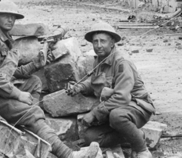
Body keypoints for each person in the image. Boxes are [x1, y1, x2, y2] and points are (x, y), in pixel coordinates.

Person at [0, 1, 100, 158]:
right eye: (5, 16)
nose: (10, 20)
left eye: (13, 17)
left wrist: (36, 64)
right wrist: (17, 94)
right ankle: (68, 154)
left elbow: (8, 73)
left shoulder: (3, 38)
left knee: (34, 82)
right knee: (31, 111)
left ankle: (29, 127)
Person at [66, 22, 155, 158]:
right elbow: (96, 83)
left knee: (117, 116)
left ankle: (142, 149)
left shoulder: (122, 63)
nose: (99, 45)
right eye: (95, 42)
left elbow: (122, 97)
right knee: (91, 137)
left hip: (137, 107)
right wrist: (79, 87)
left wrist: (95, 113)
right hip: (117, 108)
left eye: (103, 41)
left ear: (112, 42)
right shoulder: (100, 60)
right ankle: (135, 135)